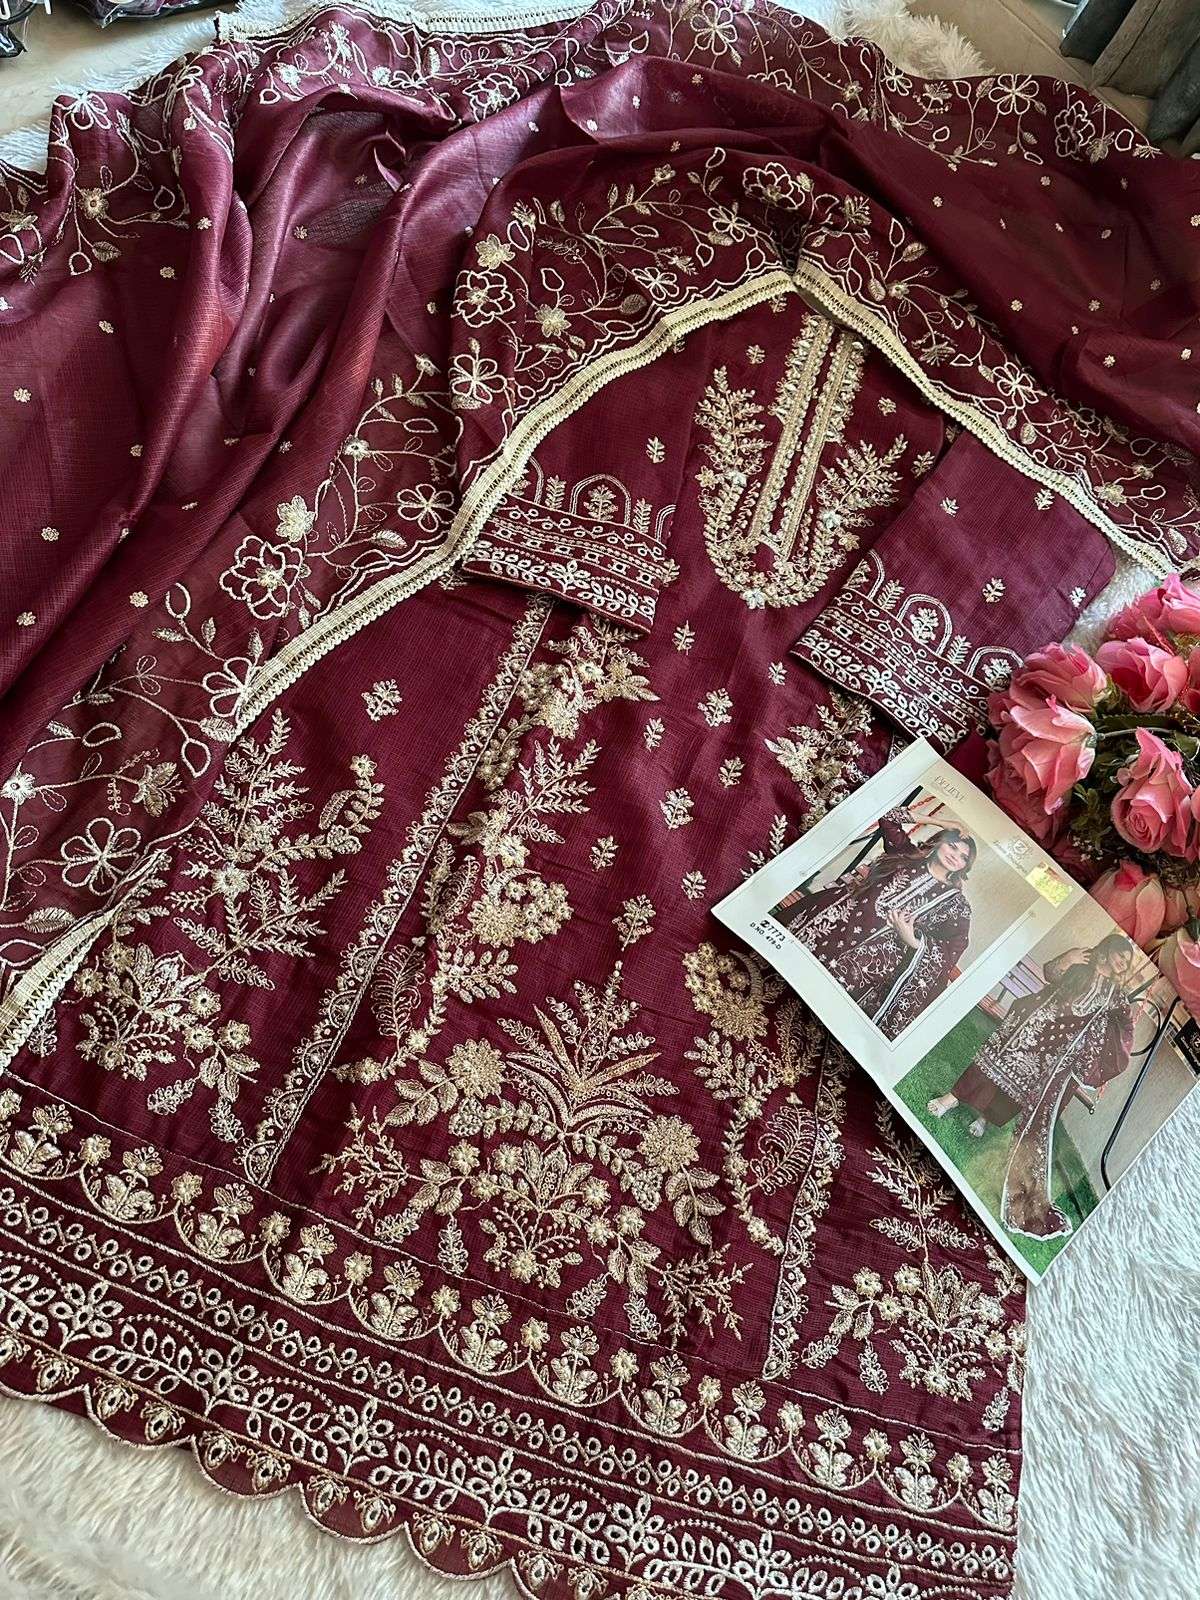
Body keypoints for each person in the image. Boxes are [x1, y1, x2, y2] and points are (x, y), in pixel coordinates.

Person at [927, 934, 1138, 1240]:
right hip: (1033, 1021)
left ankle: (985, 1118)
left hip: (1056, 1049)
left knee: (1020, 1089)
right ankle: (952, 1098)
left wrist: (1097, 1051)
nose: (1121, 963)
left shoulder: (1115, 995)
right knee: (993, 1061)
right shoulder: (1082, 956)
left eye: (1127, 962)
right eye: (1120, 955)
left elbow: (1125, 1029)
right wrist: (1067, 959)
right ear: (1107, 949)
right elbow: (1051, 973)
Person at [775, 807, 975, 1040]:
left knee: (811, 1009)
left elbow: (955, 946)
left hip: (869, 959)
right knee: (785, 973)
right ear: (940, 842)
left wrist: (913, 940)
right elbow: (889, 816)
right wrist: (940, 822)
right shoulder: (907, 855)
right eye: (952, 846)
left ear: (966, 865)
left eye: (963, 857)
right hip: (836, 921)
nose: (955, 856)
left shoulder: (955, 903)